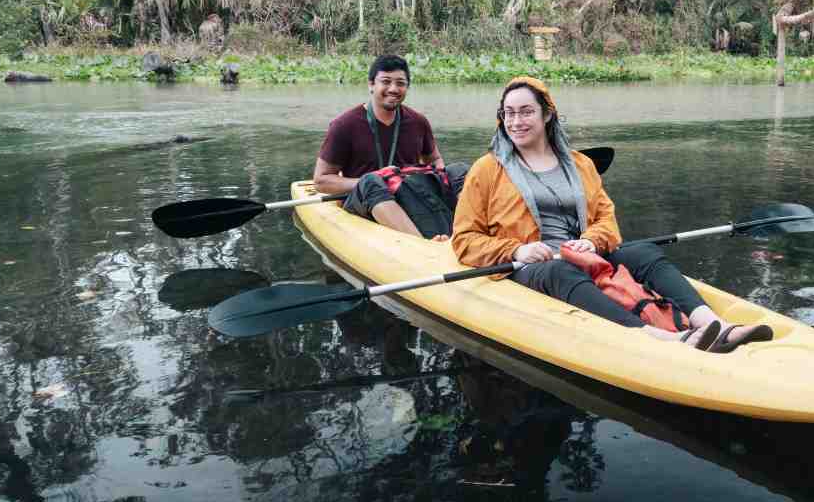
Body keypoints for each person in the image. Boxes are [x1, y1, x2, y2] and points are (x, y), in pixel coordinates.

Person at [451, 76, 773, 353]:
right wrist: (517, 249)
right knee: (559, 272)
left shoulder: (580, 165)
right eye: (508, 113)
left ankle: (715, 325)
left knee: (643, 252)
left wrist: (591, 242)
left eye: (526, 112)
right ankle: (658, 337)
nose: (516, 121)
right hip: (530, 266)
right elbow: (464, 240)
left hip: (579, 254)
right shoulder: (487, 170)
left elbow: (607, 221)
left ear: (547, 115)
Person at [313, 54, 448, 238]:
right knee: (371, 182)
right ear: (371, 85)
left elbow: (435, 160)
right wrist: (382, 179)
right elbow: (321, 181)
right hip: (363, 201)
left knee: (457, 171)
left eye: (400, 83)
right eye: (386, 81)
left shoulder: (418, 121)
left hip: (407, 195)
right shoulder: (344, 125)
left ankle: (464, 231)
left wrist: (437, 179)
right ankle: (422, 244)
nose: (393, 89)